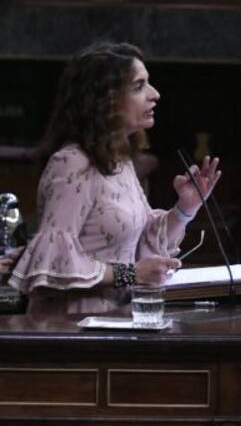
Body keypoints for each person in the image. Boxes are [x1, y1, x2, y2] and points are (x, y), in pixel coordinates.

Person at [7, 42, 220, 315]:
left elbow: (142, 239)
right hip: (72, 325)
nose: (154, 94)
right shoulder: (72, 162)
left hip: (114, 319)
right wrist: (132, 274)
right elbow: (54, 264)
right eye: (139, 86)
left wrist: (185, 208)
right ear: (105, 100)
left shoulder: (119, 161)